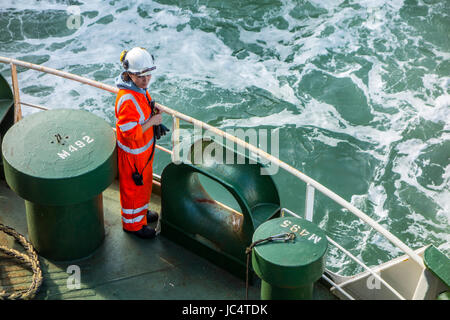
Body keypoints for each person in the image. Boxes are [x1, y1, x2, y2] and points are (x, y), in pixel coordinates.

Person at [114, 47, 168, 239]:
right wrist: (152, 122)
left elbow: (142, 108)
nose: (146, 81)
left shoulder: (139, 89)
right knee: (133, 190)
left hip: (142, 152)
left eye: (148, 76)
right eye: (141, 77)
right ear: (129, 74)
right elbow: (129, 132)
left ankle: (141, 214)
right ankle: (133, 225)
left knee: (143, 186)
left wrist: (152, 111)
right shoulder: (127, 99)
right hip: (133, 155)